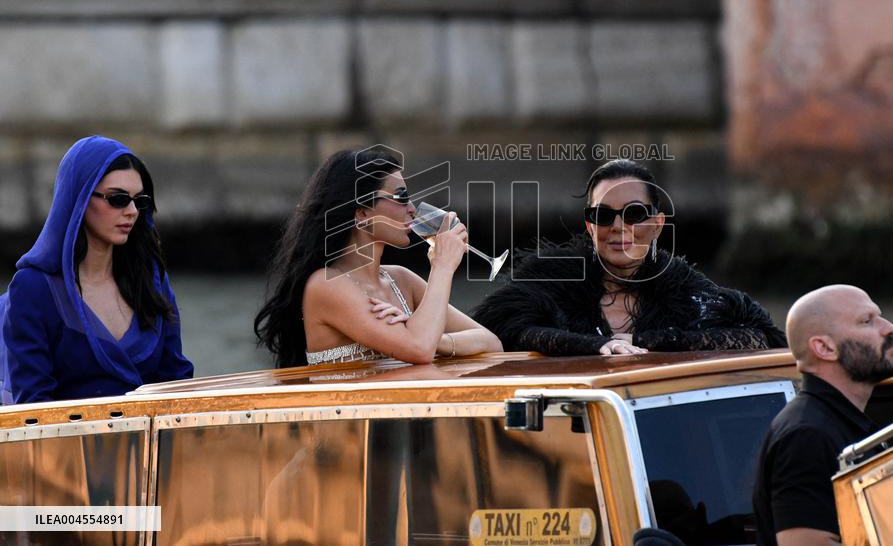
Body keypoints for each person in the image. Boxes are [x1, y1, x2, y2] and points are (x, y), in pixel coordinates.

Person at [472, 159, 786, 355]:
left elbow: (766, 338)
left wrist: (649, 340)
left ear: (657, 224)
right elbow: (502, 332)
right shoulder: (547, 280)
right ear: (590, 226)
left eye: (634, 214)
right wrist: (592, 345)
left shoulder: (689, 292)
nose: (619, 227)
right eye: (604, 215)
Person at [253, 147, 502, 368]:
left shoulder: (401, 279)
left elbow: (491, 343)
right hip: (349, 419)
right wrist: (443, 266)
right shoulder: (325, 284)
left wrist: (440, 340)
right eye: (401, 197)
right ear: (361, 214)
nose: (413, 208)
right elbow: (419, 349)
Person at [0, 136, 193, 404]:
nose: (132, 211)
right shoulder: (33, 288)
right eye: (118, 199)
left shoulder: (151, 278)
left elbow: (176, 380)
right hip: (67, 444)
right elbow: (33, 405)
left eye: (140, 200)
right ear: (78, 197)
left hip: (153, 441)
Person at [752, 284, 893, 546]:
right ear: (824, 347)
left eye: (880, 316)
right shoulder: (807, 436)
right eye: (867, 321)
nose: (889, 328)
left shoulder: (832, 424)